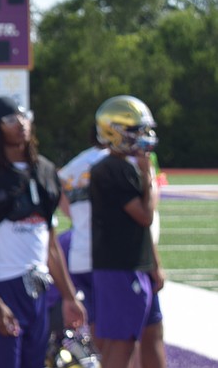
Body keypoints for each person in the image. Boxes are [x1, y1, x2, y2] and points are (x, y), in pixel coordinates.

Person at [0, 97, 85, 368]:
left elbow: (51, 247)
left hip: (39, 290)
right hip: (4, 286)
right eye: (11, 120)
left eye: (24, 116)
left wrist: (69, 296)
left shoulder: (46, 172)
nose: (22, 124)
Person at [89, 95, 166, 367]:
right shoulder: (110, 169)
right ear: (115, 131)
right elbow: (145, 215)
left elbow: (142, 228)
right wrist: (150, 178)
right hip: (119, 266)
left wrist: (153, 263)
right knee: (122, 343)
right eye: (136, 131)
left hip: (135, 264)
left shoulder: (125, 166)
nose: (144, 137)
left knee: (150, 333)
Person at [57, 127, 109, 330]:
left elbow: (59, 186)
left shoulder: (78, 162)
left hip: (80, 252)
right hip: (109, 257)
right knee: (121, 333)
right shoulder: (116, 160)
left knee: (96, 321)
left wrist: (77, 217)